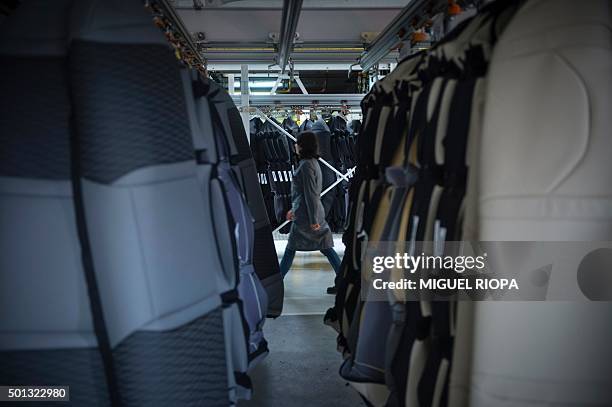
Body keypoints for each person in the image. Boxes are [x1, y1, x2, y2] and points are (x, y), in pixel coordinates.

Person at [280, 131, 342, 294]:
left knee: (292, 248)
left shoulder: (307, 165)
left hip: (306, 216)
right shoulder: (312, 162)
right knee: (325, 246)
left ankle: (277, 282)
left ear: (302, 146)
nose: (295, 145)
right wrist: (294, 209)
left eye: (297, 143)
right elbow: (307, 193)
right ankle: (343, 280)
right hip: (308, 213)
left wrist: (313, 219)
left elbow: (310, 194)